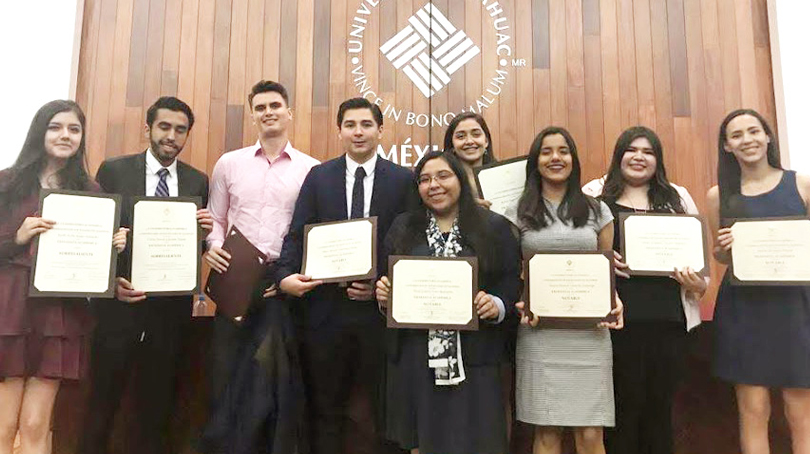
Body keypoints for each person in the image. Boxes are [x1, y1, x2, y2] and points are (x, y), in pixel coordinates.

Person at [275, 97, 412, 454]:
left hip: (379, 315)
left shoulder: (403, 180)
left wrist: (383, 284)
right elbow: (297, 232)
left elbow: (411, 245)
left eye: (366, 124)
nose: (358, 132)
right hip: (325, 313)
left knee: (387, 412)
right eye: (350, 125)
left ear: (381, 130)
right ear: (339, 131)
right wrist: (284, 278)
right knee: (324, 409)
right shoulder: (319, 177)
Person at [79, 97, 211, 454]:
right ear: (149, 128)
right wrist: (111, 284)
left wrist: (203, 235)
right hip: (118, 308)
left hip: (169, 315)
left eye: (180, 130)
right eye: (165, 127)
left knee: (158, 408)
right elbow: (96, 234)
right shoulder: (114, 171)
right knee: (102, 404)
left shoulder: (198, 180)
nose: (171, 136)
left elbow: (190, 250)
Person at [198, 80, 318, 454]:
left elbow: (309, 229)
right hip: (234, 278)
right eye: (261, 106)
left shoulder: (310, 170)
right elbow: (215, 219)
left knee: (275, 387)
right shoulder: (228, 164)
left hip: (281, 285)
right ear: (252, 113)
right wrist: (212, 247)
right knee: (228, 377)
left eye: (275, 105)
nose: (268, 112)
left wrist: (285, 274)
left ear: (289, 111)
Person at [374, 150, 521, 454]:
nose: (434, 185)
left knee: (475, 440)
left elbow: (511, 280)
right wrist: (384, 295)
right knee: (422, 442)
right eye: (425, 179)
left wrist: (497, 304)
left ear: (461, 180)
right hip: (416, 355)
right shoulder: (403, 227)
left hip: (476, 354)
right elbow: (388, 280)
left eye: (443, 176)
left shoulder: (492, 226)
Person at [0, 100, 126, 454]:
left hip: (58, 312)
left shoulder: (90, 190)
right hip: (10, 309)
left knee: (37, 424)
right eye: (55, 127)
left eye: (74, 129)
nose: (64, 135)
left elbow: (93, 270)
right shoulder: (6, 183)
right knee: (4, 423)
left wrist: (111, 247)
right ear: (40, 131)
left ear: (81, 138)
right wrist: (17, 237)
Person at [582, 126, 707, 454]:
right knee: (622, 410)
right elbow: (577, 252)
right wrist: (602, 260)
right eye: (632, 150)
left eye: (648, 152)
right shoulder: (595, 195)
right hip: (616, 325)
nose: (639, 157)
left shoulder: (677, 197)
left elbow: (699, 265)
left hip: (668, 323)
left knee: (659, 411)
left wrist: (698, 283)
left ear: (658, 160)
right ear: (619, 155)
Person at [513, 126, 623, 454]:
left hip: (589, 334)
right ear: (535, 162)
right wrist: (520, 301)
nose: (555, 158)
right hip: (539, 333)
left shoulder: (598, 211)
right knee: (546, 433)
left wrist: (614, 301)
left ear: (573, 160)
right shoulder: (517, 213)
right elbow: (512, 274)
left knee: (591, 434)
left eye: (563, 151)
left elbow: (605, 273)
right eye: (546, 152)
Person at [707, 109, 810, 454]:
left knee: (801, 412)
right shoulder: (717, 195)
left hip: (796, 308)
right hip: (744, 310)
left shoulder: (802, 183)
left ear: (768, 137)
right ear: (726, 146)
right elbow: (720, 258)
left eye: (754, 131)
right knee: (753, 410)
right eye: (737, 135)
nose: (747, 140)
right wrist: (722, 249)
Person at [443, 112, 496, 208]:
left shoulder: (503, 176)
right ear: (452, 145)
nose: (469, 141)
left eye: (476, 134)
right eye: (461, 136)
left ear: (486, 141)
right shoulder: (442, 182)